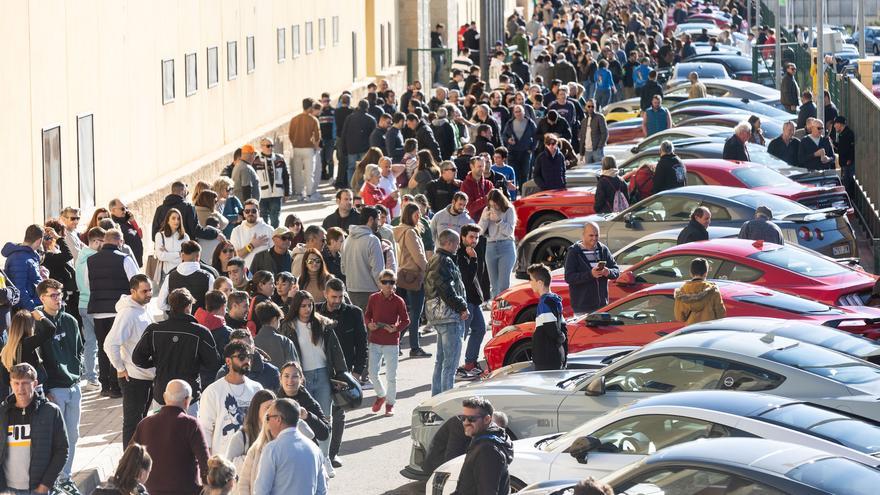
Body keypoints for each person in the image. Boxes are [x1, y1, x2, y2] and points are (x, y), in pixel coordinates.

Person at [279, 291, 347, 457]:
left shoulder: (322, 323)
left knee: (325, 418)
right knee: (305, 419)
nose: (307, 309)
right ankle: (310, 456)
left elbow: (335, 351)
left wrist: (342, 373)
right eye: (303, 306)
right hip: (302, 376)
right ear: (296, 307)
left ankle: (326, 458)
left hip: (323, 374)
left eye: (310, 305)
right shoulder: (289, 326)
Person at [132, 288, 221, 415]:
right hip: (189, 395)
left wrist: (156, 362)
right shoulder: (201, 332)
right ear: (188, 306)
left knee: (162, 433)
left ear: (171, 306)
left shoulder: (154, 330)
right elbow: (213, 363)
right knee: (189, 432)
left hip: (163, 393)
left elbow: (137, 359)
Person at [0, 363, 69, 495]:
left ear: (35, 383)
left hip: (38, 489)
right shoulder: (2, 412)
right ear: (10, 383)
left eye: (25, 383)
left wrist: (45, 485)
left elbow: (62, 450)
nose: (21, 388)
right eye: (16, 383)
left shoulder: (51, 412)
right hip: (7, 490)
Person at [132, 380, 210, 495]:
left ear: (164, 397)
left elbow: (129, 458)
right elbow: (206, 464)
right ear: (187, 400)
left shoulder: (144, 423)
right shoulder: (191, 424)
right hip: (186, 491)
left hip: (150, 491)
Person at [87, 229, 139, 399]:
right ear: (120, 241)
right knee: (118, 346)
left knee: (103, 347)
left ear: (104, 241)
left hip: (98, 310)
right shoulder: (124, 259)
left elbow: (88, 285)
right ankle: (116, 385)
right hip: (119, 309)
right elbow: (136, 282)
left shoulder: (91, 260)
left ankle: (105, 385)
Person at [105, 275, 156, 447]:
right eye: (144, 291)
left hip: (147, 376)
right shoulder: (127, 314)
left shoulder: (143, 308)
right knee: (133, 424)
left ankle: (139, 462)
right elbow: (110, 343)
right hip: (133, 378)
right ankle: (128, 466)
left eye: (150, 290)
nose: (149, 294)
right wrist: (120, 367)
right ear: (133, 291)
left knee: (142, 422)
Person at [199, 341, 263, 457]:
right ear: (228, 361)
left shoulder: (257, 388)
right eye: (242, 357)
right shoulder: (213, 391)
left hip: (251, 456)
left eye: (249, 357)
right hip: (223, 460)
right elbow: (205, 429)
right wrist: (207, 463)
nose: (247, 361)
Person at [425, 229, 469, 396]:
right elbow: (446, 288)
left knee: (441, 361)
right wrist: (461, 306)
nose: (458, 247)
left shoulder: (434, 259)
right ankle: (446, 402)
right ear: (449, 243)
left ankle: (436, 398)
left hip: (437, 315)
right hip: (448, 316)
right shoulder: (445, 260)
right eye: (457, 243)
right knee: (449, 364)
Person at [253, 398, 327, 495]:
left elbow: (261, 491)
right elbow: (321, 490)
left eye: (268, 417)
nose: (267, 422)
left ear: (278, 419)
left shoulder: (272, 449)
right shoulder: (315, 449)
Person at [364, 270, 408, 416]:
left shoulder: (398, 301)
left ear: (395, 284)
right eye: (385, 282)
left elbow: (406, 320)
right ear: (379, 283)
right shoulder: (373, 298)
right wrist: (369, 324)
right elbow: (368, 314)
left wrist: (396, 328)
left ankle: (390, 404)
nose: (388, 285)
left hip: (391, 342)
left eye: (391, 282)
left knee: (391, 376)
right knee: (372, 372)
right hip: (375, 340)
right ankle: (381, 395)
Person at [451, 397, 513, 495]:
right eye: (463, 418)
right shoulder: (484, 440)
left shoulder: (487, 450)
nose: (466, 422)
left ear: (487, 419)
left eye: (471, 419)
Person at [564, 222, 620, 315]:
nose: (594, 238)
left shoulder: (603, 249)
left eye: (596, 235)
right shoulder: (574, 252)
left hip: (602, 306)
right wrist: (590, 274)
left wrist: (608, 272)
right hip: (582, 308)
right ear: (583, 235)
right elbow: (569, 277)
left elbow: (616, 271)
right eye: (591, 235)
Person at [456, 225, 489, 379]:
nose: (474, 240)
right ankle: (453, 369)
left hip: (474, 300)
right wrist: (474, 259)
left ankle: (470, 364)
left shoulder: (474, 251)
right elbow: (467, 279)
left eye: (476, 237)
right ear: (463, 237)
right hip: (465, 301)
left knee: (480, 329)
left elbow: (478, 277)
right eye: (471, 237)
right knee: (459, 336)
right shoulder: (459, 254)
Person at [74, 227, 105, 391]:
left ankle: (91, 378)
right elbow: (90, 283)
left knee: (90, 344)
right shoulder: (93, 258)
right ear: (94, 241)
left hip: (82, 304)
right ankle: (96, 378)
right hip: (93, 304)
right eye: (101, 242)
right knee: (100, 342)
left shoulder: (81, 256)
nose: (103, 245)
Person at [340, 206, 384, 309]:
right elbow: (378, 271)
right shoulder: (373, 240)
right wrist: (384, 290)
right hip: (370, 292)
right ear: (371, 220)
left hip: (351, 290)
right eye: (378, 219)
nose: (379, 223)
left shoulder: (347, 240)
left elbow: (343, 269)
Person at [152, 181, 222, 243]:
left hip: (166, 253)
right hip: (186, 251)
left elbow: (154, 235)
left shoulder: (159, 209)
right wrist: (214, 234)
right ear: (183, 191)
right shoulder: (188, 207)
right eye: (187, 192)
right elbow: (195, 231)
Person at [528, 264, 566, 371]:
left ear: (539, 283)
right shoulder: (555, 300)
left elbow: (551, 328)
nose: (529, 282)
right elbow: (563, 329)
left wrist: (560, 337)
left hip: (546, 358)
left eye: (531, 280)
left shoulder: (544, 302)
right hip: (557, 354)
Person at [478, 190, 516, 299]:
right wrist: (485, 219)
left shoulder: (509, 210)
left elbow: (509, 231)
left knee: (503, 285)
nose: (494, 207)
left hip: (506, 246)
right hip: (490, 247)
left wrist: (499, 221)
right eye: (491, 204)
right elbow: (479, 231)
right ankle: (495, 310)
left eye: (496, 204)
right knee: (494, 285)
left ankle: (504, 309)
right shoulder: (487, 210)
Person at [288, 98, 322, 202]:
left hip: (297, 148)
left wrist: (295, 143)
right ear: (311, 107)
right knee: (309, 172)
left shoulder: (294, 119)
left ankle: (299, 194)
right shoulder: (313, 119)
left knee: (297, 172)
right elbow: (317, 136)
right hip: (308, 148)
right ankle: (309, 194)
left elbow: (290, 134)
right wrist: (316, 145)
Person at [2, 224, 43, 311]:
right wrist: (33, 309)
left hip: (33, 305)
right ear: (39, 241)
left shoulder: (29, 255)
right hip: (26, 310)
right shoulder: (20, 257)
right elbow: (19, 289)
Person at [673, 258, 726, 324]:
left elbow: (679, 317)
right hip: (709, 330)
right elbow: (721, 315)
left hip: (692, 330)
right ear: (706, 273)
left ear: (690, 272)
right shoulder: (713, 290)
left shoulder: (682, 292)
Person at [253, 137, 290, 228]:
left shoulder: (279, 159)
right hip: (262, 195)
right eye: (268, 146)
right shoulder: (256, 161)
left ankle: (275, 238)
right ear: (262, 147)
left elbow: (285, 176)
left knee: (275, 218)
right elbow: (253, 180)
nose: (270, 148)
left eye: (272, 146)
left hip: (277, 194)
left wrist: (287, 193)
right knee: (263, 218)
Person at [230, 200, 275, 269]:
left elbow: (274, 254)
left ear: (258, 212)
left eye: (253, 211)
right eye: (247, 211)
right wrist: (252, 245)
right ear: (244, 213)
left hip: (264, 273)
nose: (250, 213)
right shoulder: (236, 231)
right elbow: (235, 256)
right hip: (245, 273)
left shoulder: (269, 229)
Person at [500, 105, 536, 188]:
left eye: (520, 111)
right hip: (513, 152)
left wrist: (532, 149)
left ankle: (524, 190)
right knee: (514, 172)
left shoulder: (530, 122)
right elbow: (504, 136)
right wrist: (508, 140)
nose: (518, 113)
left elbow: (536, 136)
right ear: (514, 113)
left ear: (523, 112)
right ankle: (514, 192)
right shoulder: (510, 123)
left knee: (525, 173)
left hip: (525, 152)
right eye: (516, 112)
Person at [253, 302, 298, 367]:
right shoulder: (285, 341)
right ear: (274, 319)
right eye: (279, 320)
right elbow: (294, 367)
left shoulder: (252, 342)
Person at [109, 199, 145, 267]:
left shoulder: (126, 222)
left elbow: (140, 235)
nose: (125, 211)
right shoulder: (114, 225)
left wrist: (133, 221)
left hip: (136, 263)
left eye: (126, 208)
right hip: (126, 265)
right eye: (122, 208)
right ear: (113, 210)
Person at [578, 98, 608, 164]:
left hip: (596, 150)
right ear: (586, 107)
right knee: (588, 171)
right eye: (589, 106)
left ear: (595, 107)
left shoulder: (599, 117)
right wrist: (581, 153)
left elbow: (605, 133)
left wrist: (599, 147)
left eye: (592, 106)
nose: (590, 108)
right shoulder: (584, 121)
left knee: (598, 170)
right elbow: (582, 138)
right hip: (587, 151)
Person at [832, 115, 855, 196]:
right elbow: (841, 147)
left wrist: (850, 159)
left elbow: (851, 148)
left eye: (835, 124)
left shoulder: (848, 133)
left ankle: (849, 199)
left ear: (840, 124)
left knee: (848, 183)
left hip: (848, 163)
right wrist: (833, 143)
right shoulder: (842, 134)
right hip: (844, 163)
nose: (834, 126)